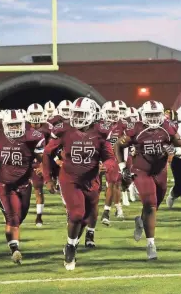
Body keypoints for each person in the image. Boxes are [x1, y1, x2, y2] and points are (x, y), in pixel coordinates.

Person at [43, 97, 116, 270]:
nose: (77, 117)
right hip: (70, 179)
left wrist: (106, 166)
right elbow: (47, 153)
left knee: (86, 218)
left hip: (92, 180)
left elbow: (110, 158)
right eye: (75, 114)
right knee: (76, 214)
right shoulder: (65, 130)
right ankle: (70, 247)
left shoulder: (100, 132)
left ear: (92, 115)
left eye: (81, 114)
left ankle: (72, 243)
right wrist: (48, 178)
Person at [114, 100, 181, 260]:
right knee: (150, 203)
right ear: (144, 115)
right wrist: (122, 167)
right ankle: (151, 243)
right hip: (141, 170)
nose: (154, 118)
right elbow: (118, 146)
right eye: (150, 115)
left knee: (154, 207)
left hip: (160, 171)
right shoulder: (136, 128)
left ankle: (141, 222)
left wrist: (175, 150)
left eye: (156, 114)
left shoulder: (168, 127)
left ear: (162, 114)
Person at [0, 109, 45, 264]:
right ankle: (15, 250)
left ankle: (13, 239)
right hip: (3, 184)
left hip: (24, 183)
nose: (14, 128)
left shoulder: (32, 137)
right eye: (11, 125)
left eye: (17, 125)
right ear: (5, 125)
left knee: (21, 215)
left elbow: (42, 157)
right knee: (12, 216)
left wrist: (44, 168)